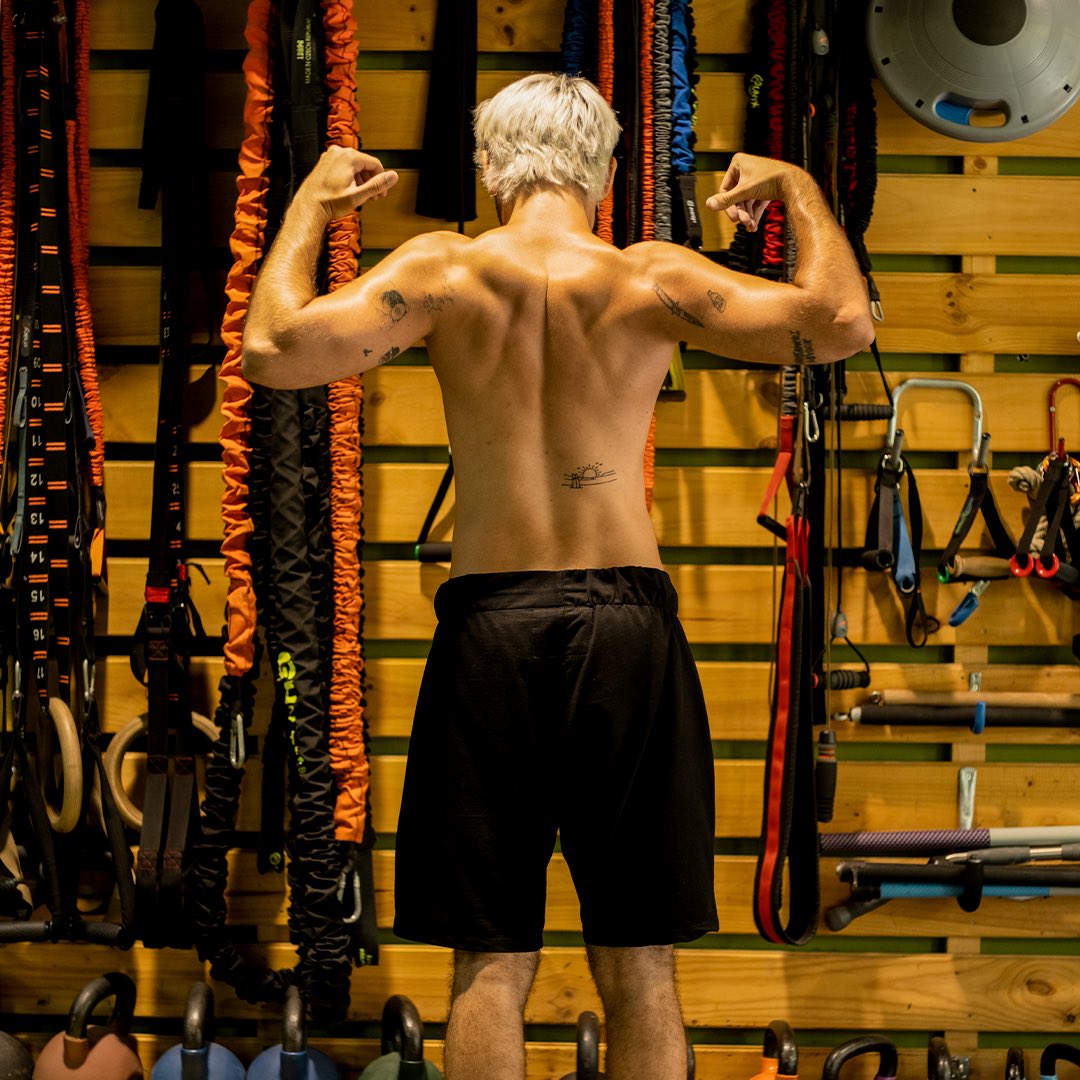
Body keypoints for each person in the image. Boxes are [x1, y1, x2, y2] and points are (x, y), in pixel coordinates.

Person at [243, 73, 874, 1080]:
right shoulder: (647, 278)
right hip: (624, 627)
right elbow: (843, 323)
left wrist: (313, 205)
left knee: (489, 962)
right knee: (641, 962)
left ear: (489, 169)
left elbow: (272, 349)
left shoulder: (441, 270)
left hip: (489, 626)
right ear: (608, 173)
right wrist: (799, 190)